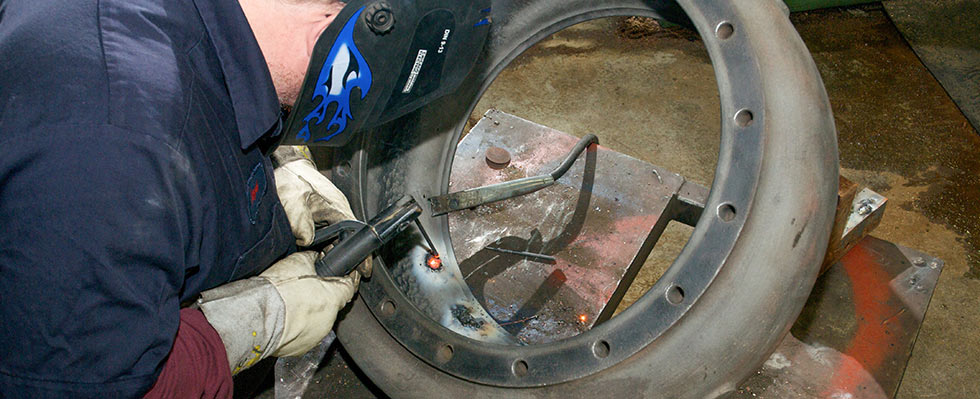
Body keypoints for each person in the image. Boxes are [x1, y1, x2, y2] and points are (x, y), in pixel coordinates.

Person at [0, 0, 369, 396]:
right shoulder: (115, 149)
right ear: (328, 22)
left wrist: (272, 169)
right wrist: (260, 319)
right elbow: (89, 386)